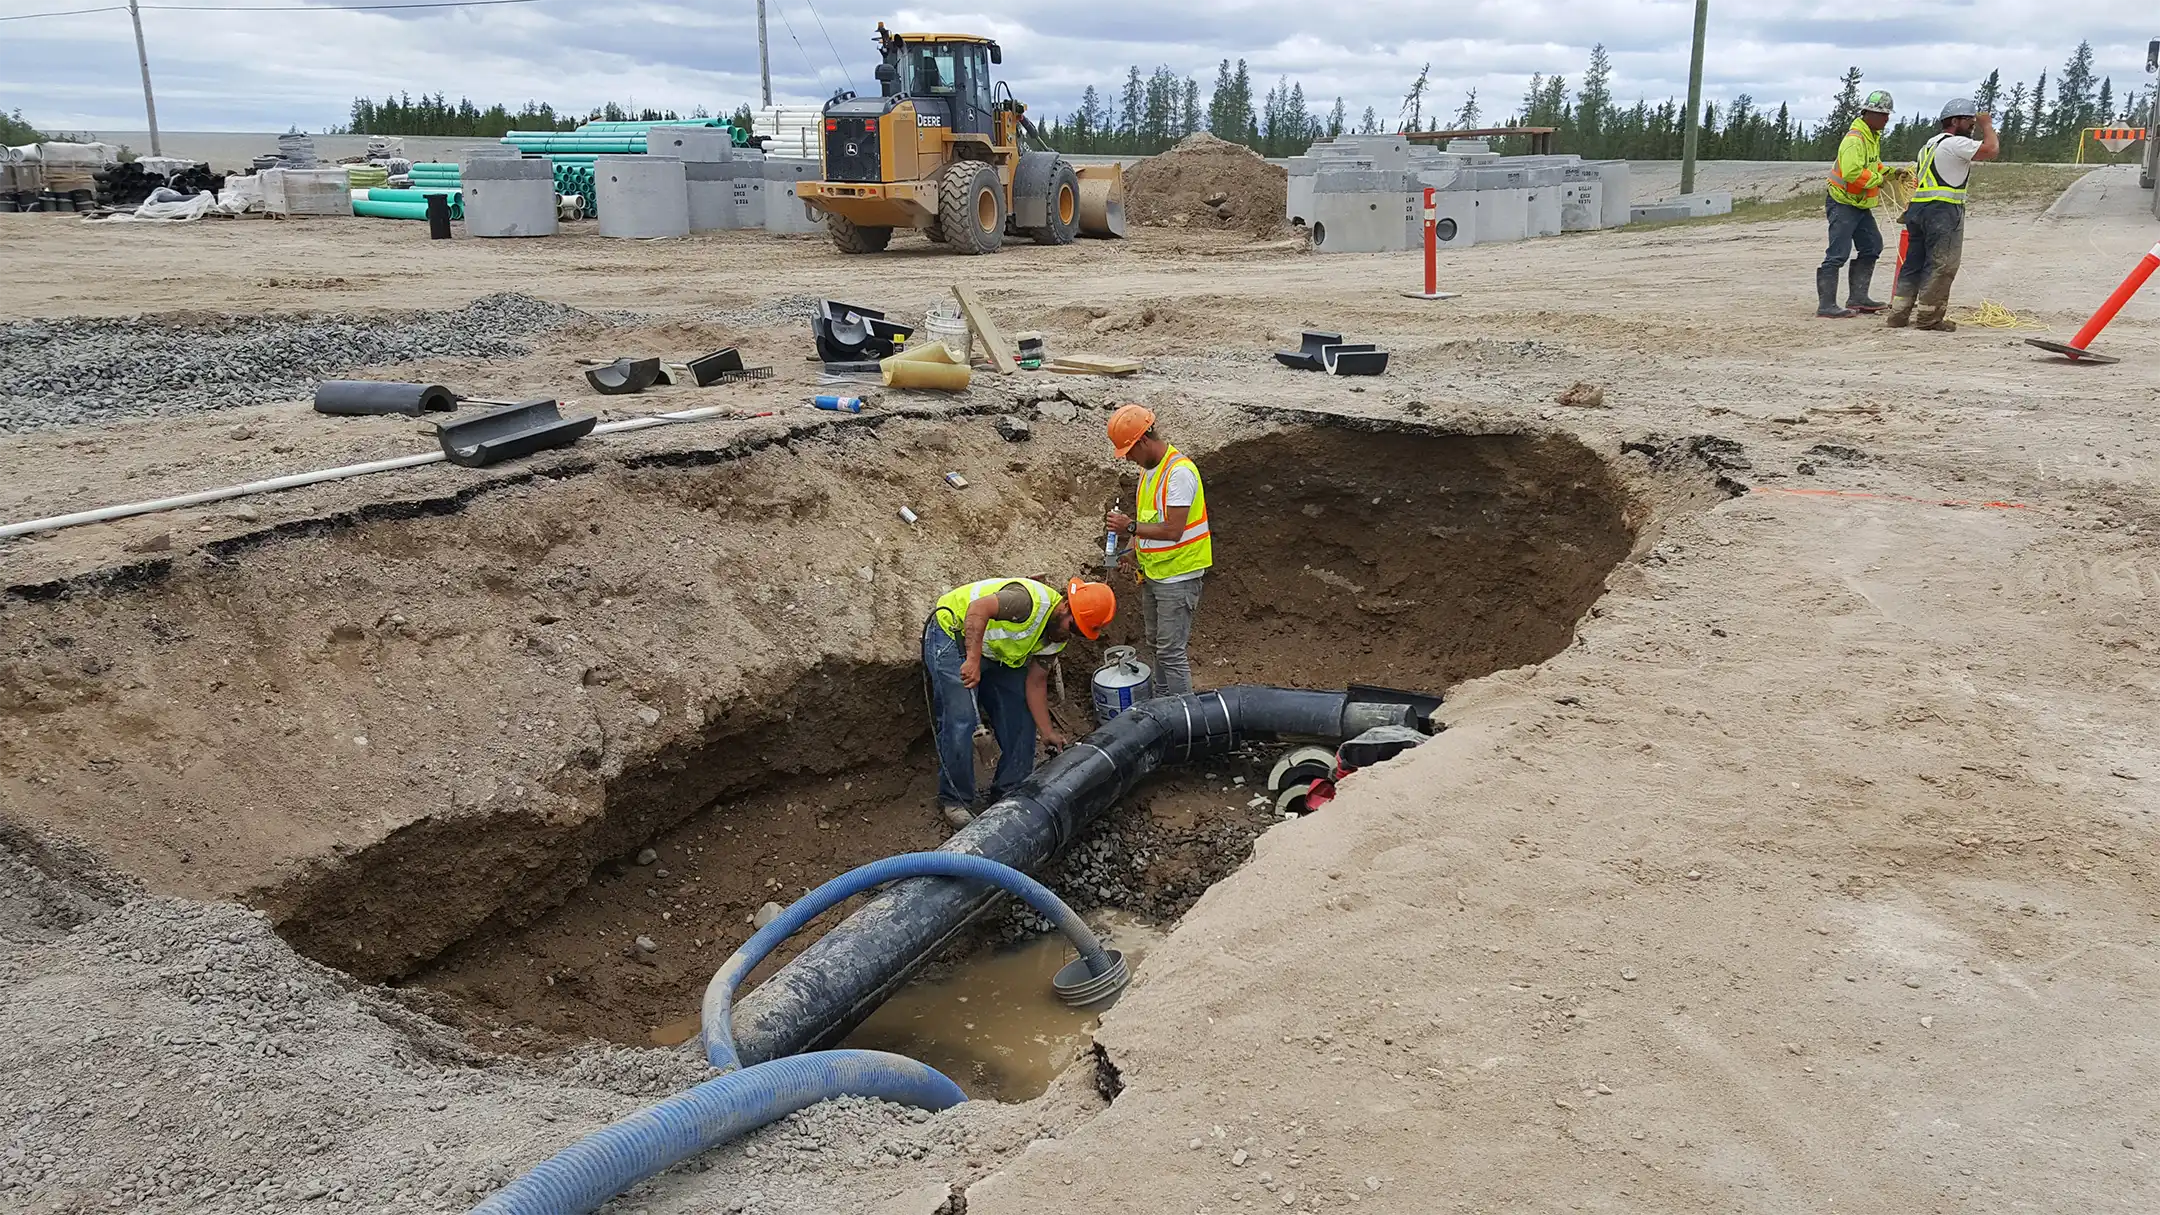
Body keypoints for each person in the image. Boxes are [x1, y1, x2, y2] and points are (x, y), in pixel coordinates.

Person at [923, 575, 1115, 828]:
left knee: (1021, 719)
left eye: (1079, 632)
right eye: (1073, 626)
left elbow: (1035, 683)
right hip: (954, 632)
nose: (1071, 634)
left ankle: (1009, 792)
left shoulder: (1055, 637)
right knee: (961, 721)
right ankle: (955, 800)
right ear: (1065, 607)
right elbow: (978, 608)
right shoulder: (1026, 602)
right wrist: (973, 659)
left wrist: (1047, 732)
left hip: (996, 652)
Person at [1102, 404, 1212, 699]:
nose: (1128, 458)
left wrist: (1129, 527)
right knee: (1156, 645)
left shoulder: (1179, 473)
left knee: (1171, 652)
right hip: (1154, 574)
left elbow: (1173, 529)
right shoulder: (1148, 472)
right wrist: (1130, 552)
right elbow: (1147, 524)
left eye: (1129, 451)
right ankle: (1163, 702)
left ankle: (1185, 715)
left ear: (1143, 441)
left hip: (1179, 577)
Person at [1889, 98, 1999, 332]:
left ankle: (1898, 314)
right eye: (1969, 121)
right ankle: (1929, 317)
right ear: (1955, 121)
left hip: (1918, 209)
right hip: (1942, 210)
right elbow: (1991, 150)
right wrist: (1987, 125)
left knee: (1913, 263)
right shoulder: (1955, 143)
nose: (1972, 126)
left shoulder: (1929, 145)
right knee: (1942, 264)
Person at [1818, 89, 1898, 319]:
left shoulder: (1871, 137)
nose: (1887, 119)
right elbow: (1852, 172)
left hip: (1859, 204)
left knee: (1872, 246)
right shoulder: (1855, 139)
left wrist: (1892, 173)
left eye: (1887, 114)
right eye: (1883, 114)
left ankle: (1858, 298)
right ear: (1869, 114)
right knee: (1837, 253)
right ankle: (1826, 305)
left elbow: (1874, 165)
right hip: (1842, 203)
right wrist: (1879, 180)